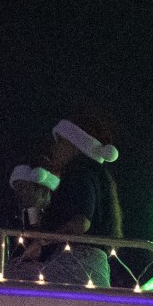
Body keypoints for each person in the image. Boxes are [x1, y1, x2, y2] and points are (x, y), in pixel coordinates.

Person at [38, 112, 124, 289]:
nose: (54, 148)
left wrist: (40, 242)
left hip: (74, 267)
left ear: (75, 145)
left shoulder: (79, 173)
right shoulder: (99, 176)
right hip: (96, 269)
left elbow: (81, 223)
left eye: (60, 141)